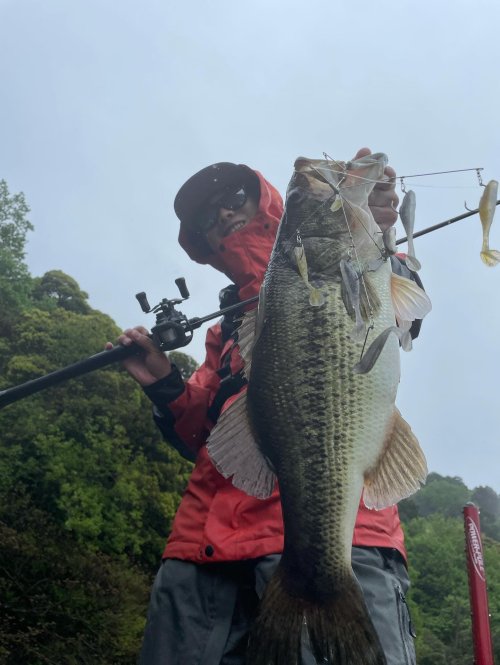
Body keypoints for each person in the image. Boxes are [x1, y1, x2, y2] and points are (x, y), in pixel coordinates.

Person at [116, 149, 420, 665]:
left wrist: (379, 223)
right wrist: (167, 387)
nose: (226, 215)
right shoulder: (225, 328)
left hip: (343, 537)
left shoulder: (367, 261)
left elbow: (402, 311)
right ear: (203, 243)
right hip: (202, 550)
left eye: (234, 198)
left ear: (265, 200)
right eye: (207, 218)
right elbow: (211, 438)